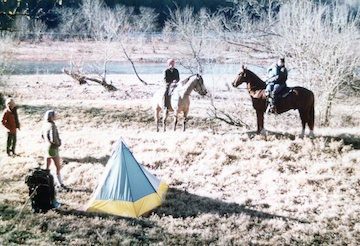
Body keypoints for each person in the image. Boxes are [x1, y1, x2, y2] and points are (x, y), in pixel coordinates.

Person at [42, 110, 67, 190]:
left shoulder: (45, 124)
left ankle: (44, 183)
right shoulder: (52, 125)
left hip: (46, 148)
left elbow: (42, 136)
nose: (56, 116)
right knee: (58, 168)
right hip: (53, 148)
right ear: (52, 117)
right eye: (55, 115)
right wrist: (58, 143)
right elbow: (53, 139)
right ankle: (60, 184)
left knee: (46, 168)